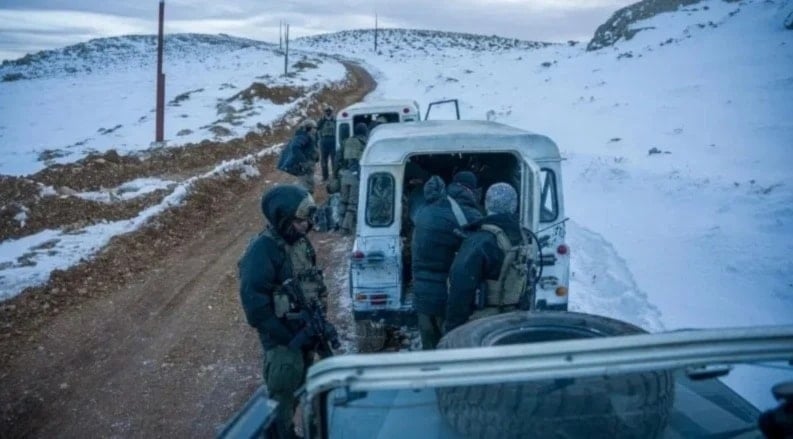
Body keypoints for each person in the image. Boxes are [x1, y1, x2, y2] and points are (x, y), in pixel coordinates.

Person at [238, 184, 329, 438]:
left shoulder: (300, 243)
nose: (306, 226)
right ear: (283, 218)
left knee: (300, 387)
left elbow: (313, 281)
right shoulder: (262, 251)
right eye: (300, 221)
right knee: (282, 396)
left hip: (304, 333)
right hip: (281, 343)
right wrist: (286, 336)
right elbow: (255, 307)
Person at [444, 183, 533, 334]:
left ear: (486, 204)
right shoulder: (523, 236)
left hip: (482, 323)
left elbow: (461, 287)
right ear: (515, 205)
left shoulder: (481, 240)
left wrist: (452, 329)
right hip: (513, 320)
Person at [410, 172, 483, 350]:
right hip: (447, 296)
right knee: (451, 347)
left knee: (430, 348)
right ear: (470, 190)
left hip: (421, 294)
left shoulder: (425, 210)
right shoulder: (469, 215)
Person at [336, 122, 369, 235]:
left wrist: (338, 173)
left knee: (343, 201)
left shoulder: (346, 141)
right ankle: (345, 228)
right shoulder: (364, 142)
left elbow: (338, 158)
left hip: (345, 175)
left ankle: (340, 224)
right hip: (356, 176)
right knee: (352, 204)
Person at [277, 119, 319, 194]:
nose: (315, 130)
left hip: (308, 164)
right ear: (309, 128)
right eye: (314, 128)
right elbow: (295, 147)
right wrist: (304, 161)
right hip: (305, 165)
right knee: (306, 185)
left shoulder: (307, 136)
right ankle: (306, 202)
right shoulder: (303, 136)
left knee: (309, 183)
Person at [316, 105, 336, 182]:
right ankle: (325, 176)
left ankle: (335, 175)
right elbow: (317, 127)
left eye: (329, 111)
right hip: (324, 140)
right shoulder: (322, 120)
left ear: (331, 112)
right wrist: (322, 120)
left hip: (333, 139)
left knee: (334, 160)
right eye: (326, 111)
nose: (328, 113)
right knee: (324, 160)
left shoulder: (335, 120)